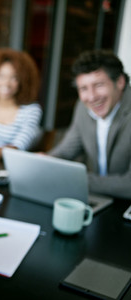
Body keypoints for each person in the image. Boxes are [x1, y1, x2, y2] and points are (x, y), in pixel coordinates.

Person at [48, 49, 131, 200]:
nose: (92, 97)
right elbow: (66, 151)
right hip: (99, 199)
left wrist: (76, 179)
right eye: (83, 88)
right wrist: (43, 163)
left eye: (99, 85)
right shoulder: (82, 107)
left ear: (119, 82)